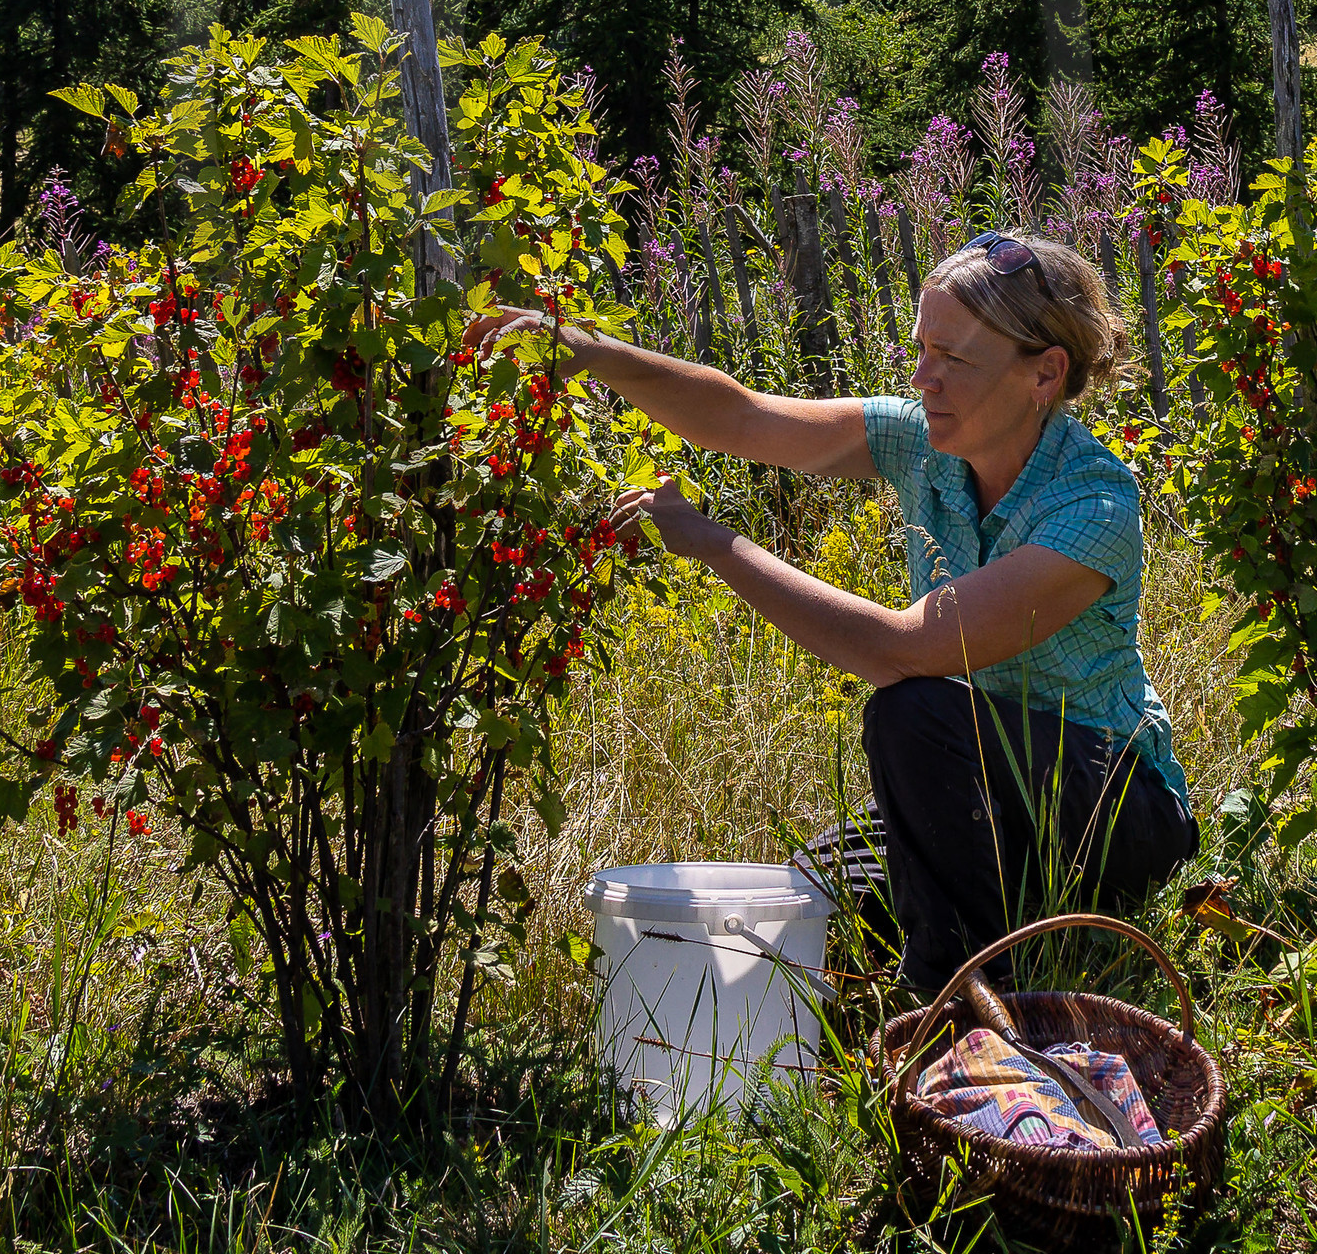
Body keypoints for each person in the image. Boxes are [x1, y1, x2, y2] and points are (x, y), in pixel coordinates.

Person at [474, 230, 1198, 994]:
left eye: (954, 360)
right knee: (812, 895)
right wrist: (588, 351)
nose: (925, 379)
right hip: (990, 796)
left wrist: (718, 546)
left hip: (1113, 816)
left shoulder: (1092, 503)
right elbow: (743, 420)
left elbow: (899, 650)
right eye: (922, 349)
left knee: (912, 710)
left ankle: (964, 1002)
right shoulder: (927, 444)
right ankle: (954, 949)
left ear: (1045, 374)